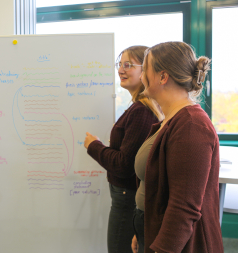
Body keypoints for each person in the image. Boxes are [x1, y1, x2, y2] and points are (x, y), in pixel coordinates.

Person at [133, 41, 223, 253]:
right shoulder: (171, 119)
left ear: (163, 77)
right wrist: (142, 230)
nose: (141, 76)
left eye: (145, 69)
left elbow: (184, 208)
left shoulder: (192, 125)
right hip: (153, 230)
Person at [84, 46, 162, 253]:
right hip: (127, 194)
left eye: (128, 65)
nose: (120, 70)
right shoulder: (140, 107)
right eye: (120, 64)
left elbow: (124, 165)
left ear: (145, 71)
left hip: (127, 197)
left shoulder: (141, 111)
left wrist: (94, 146)